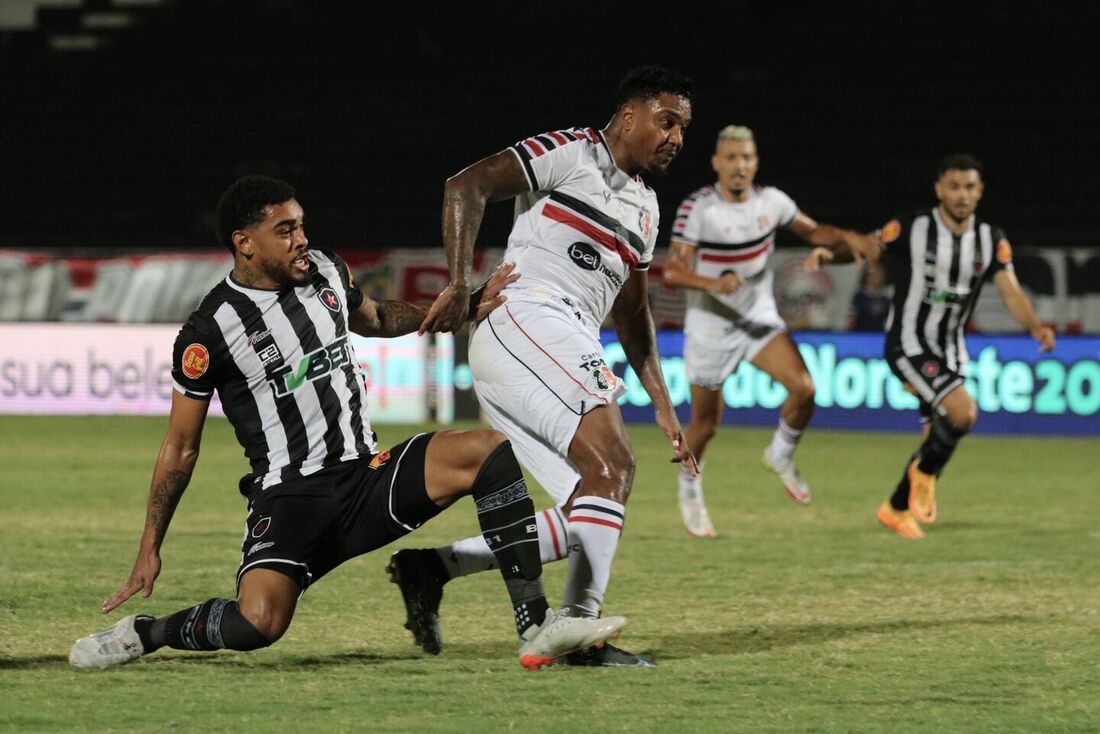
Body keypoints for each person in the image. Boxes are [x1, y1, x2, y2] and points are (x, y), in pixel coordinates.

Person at [68, 175, 625, 671]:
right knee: (257, 624)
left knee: (487, 451)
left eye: (302, 225)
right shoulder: (209, 331)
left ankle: (535, 623)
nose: (301, 239)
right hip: (291, 499)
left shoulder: (327, 271)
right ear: (244, 244)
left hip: (366, 478)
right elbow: (180, 448)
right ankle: (147, 633)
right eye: (284, 230)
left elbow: (379, 317)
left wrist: (468, 303)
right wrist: (150, 544)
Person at [387, 65, 699, 668]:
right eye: (667, 121)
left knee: (594, 504)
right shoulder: (570, 152)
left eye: (684, 128)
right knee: (614, 467)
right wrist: (458, 282)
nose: (676, 138)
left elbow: (633, 317)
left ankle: (433, 567)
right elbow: (465, 185)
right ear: (630, 115)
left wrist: (662, 402)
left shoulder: (646, 211)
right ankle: (577, 627)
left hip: (541, 344)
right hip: (527, 315)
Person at [805, 154, 1055, 538]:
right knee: (963, 413)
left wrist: (1036, 325)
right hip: (908, 344)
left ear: (980, 192)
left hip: (951, 350)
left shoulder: (991, 239)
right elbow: (869, 247)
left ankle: (896, 507)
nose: (962, 195)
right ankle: (923, 474)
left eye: (970, 187)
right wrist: (830, 254)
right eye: (954, 187)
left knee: (940, 432)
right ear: (940, 189)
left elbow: (1010, 290)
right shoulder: (912, 227)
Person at [661, 124, 880, 537]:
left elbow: (816, 232)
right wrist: (714, 284)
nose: (739, 165)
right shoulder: (699, 209)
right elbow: (672, 270)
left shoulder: (773, 202)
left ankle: (781, 454)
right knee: (706, 425)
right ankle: (690, 487)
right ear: (717, 164)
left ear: (755, 162)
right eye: (731, 158)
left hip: (758, 318)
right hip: (711, 324)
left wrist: (850, 237)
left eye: (746, 157)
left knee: (805, 388)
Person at [847, 259, 892, 332]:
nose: (877, 276)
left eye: (880, 274)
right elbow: (851, 320)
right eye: (874, 274)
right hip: (861, 336)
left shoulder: (886, 299)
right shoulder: (859, 297)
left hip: (879, 337)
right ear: (867, 275)